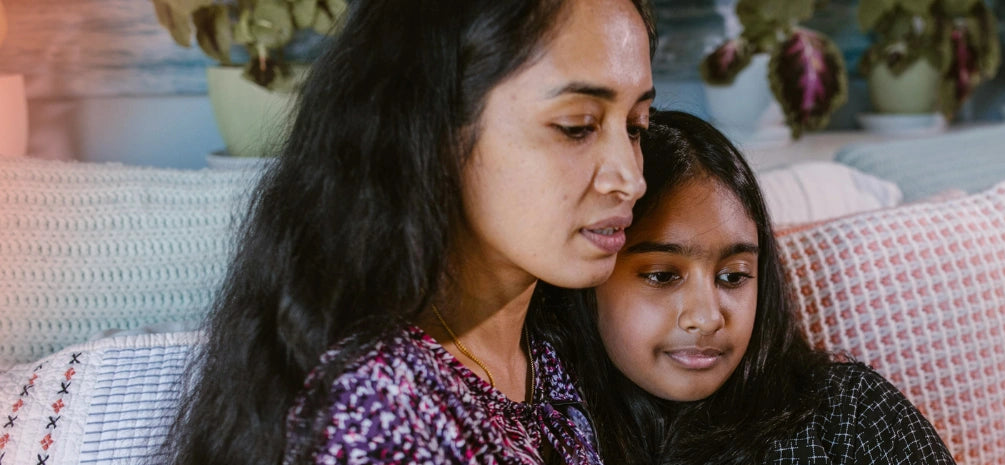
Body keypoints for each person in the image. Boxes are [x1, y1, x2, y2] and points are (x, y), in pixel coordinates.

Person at [165, 0, 657, 463]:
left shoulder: (562, 338)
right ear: (431, 130)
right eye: (577, 126)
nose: (631, 180)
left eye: (636, 126)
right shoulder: (374, 413)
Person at [536, 111, 954, 464]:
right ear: (589, 279)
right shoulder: (546, 434)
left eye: (733, 277)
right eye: (662, 276)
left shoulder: (851, 414)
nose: (707, 318)